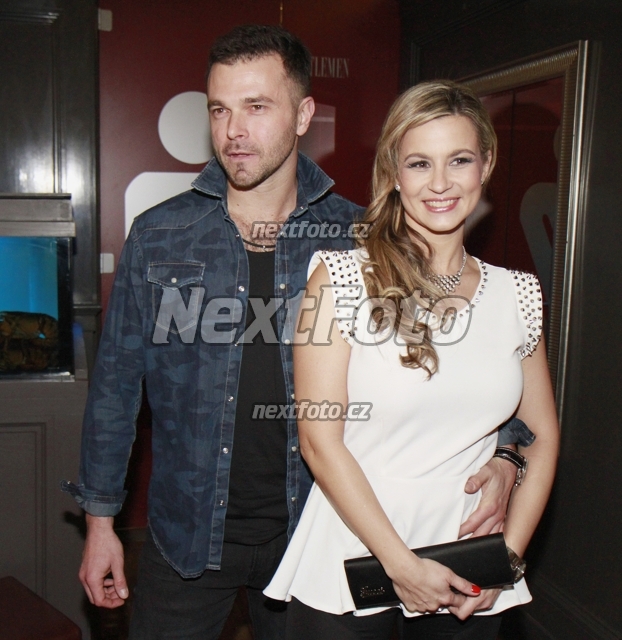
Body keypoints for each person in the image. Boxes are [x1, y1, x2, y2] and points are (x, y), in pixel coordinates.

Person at [62, 26, 533, 640]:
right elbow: (115, 390)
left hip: (317, 530)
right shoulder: (160, 235)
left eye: (256, 107)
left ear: (304, 115)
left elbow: (456, 358)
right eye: (220, 110)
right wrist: (100, 524)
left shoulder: (361, 238)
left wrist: (507, 452)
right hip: (187, 536)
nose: (234, 131)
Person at [264, 80, 559, 640]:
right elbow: (319, 441)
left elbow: (541, 436)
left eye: (460, 160)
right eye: (420, 163)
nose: (441, 183)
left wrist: (507, 558)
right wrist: (401, 566)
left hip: (468, 572)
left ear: (486, 164)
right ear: (394, 173)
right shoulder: (339, 278)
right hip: (354, 562)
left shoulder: (518, 293)